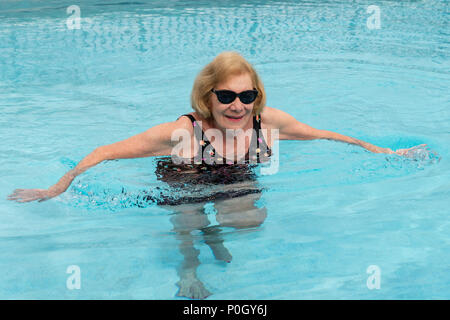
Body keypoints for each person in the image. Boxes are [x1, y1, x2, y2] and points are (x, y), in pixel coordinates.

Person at [7, 51, 425, 299]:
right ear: (207, 96)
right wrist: (53, 189)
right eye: (226, 96)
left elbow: (327, 135)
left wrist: (387, 151)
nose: (237, 105)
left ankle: (216, 233)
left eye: (247, 96)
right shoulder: (181, 133)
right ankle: (189, 272)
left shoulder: (267, 122)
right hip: (185, 179)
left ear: (257, 98)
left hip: (235, 176)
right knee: (189, 220)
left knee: (248, 221)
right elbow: (103, 153)